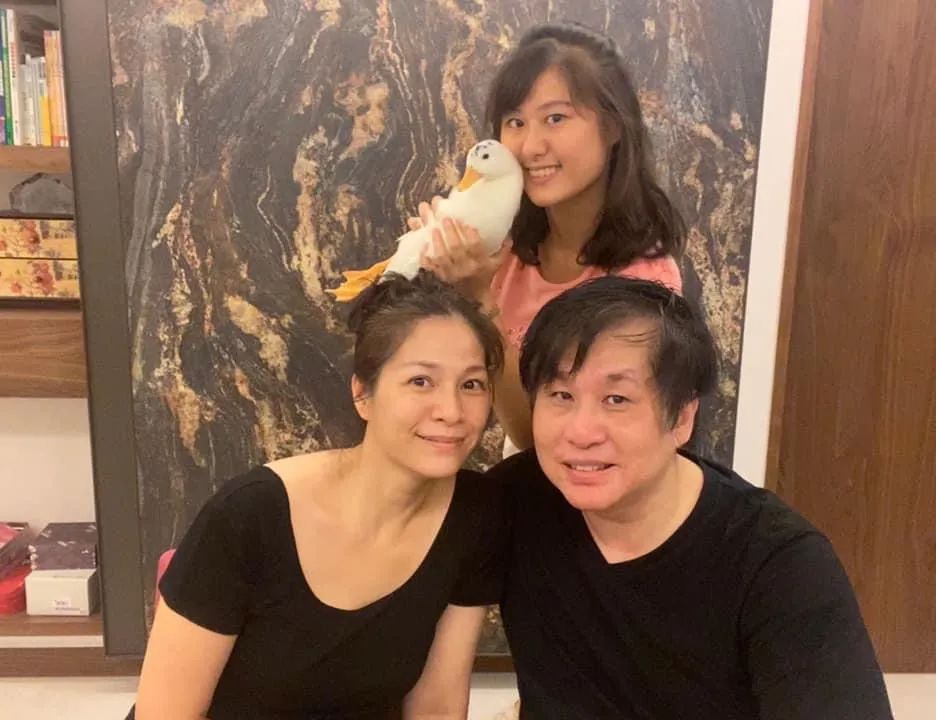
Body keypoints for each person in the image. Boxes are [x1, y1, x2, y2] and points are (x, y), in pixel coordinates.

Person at [488, 276, 893, 719]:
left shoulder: (779, 563)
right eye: (561, 395)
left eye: (616, 399)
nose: (581, 432)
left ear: (682, 418)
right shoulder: (513, 502)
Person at [132, 272, 507, 720]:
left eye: (471, 384)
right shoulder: (251, 514)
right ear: (362, 394)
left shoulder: (473, 515)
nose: (451, 411)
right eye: (420, 382)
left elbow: (438, 707)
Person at [418, 22, 685, 452]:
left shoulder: (644, 281)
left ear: (613, 126)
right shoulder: (503, 250)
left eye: (555, 118)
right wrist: (431, 277)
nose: (530, 146)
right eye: (515, 121)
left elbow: (549, 439)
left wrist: (480, 300)